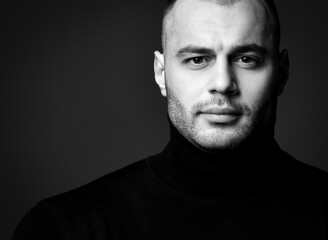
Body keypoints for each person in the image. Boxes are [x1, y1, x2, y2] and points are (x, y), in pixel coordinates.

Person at [12, 0, 328, 239]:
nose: (222, 82)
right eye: (197, 59)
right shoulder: (67, 228)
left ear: (282, 73)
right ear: (162, 74)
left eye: (247, 59)